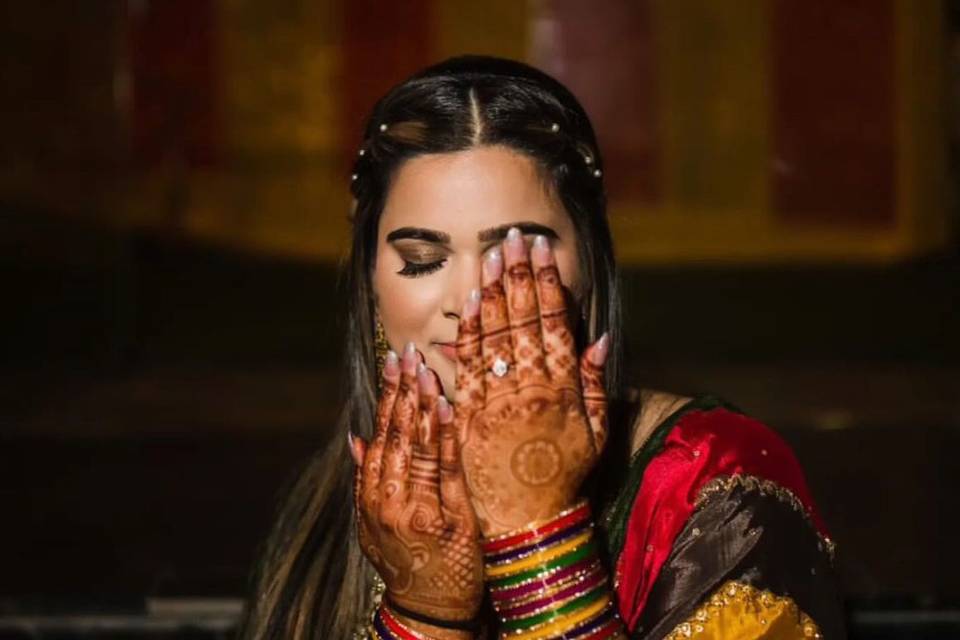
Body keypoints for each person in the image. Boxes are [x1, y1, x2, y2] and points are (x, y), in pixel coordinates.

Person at [238, 56, 845, 640]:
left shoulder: (716, 482)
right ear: (372, 288)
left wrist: (535, 534)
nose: (470, 299)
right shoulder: (325, 505)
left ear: (590, 270)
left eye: (515, 258)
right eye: (423, 260)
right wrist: (423, 618)